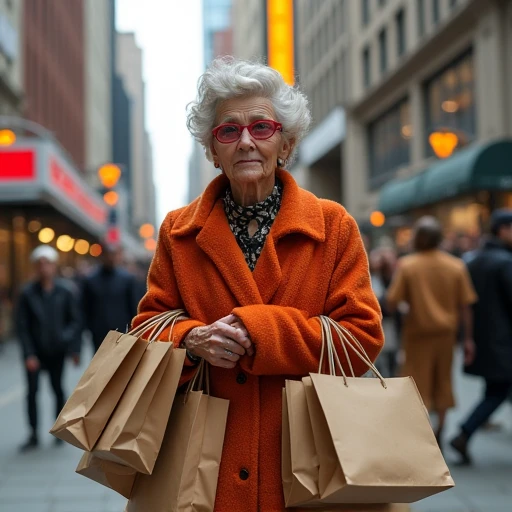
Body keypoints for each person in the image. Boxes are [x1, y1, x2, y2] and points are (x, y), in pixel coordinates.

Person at [132, 57, 384, 512]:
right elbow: (147, 327)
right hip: (205, 475)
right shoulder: (177, 231)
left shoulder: (333, 226)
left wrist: (260, 329)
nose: (246, 141)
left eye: (261, 128)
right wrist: (193, 339)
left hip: (309, 470)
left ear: (285, 143)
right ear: (212, 151)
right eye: (228, 131)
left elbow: (361, 341)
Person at [386, 216, 477, 446]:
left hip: (417, 334)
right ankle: (440, 430)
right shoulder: (456, 266)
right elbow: (466, 305)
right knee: (443, 382)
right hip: (447, 334)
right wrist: (468, 339)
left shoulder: (408, 265)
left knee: (418, 383)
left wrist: (408, 307)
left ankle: (422, 436)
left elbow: (392, 301)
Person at [450, 209, 512, 464]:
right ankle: (464, 432)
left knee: (495, 390)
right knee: (497, 392)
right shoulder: (504, 262)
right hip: (505, 342)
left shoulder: (473, 260)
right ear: (502, 229)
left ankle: (464, 433)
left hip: (484, 339)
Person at [16, 245, 81, 451]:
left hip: (57, 350)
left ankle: (58, 430)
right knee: (32, 392)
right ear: (35, 267)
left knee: (58, 389)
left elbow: (75, 321)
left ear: (54, 266)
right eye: (40, 264)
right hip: (35, 352)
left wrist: (72, 347)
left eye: (47, 263)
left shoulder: (65, 291)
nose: (44, 268)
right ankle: (33, 433)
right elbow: (22, 327)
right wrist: (28, 354)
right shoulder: (27, 293)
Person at [82, 245, 141, 351]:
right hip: (98, 332)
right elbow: (85, 307)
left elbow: (133, 306)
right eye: (108, 254)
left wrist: (134, 329)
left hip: (121, 332)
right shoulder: (91, 280)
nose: (111, 258)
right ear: (102, 256)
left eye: (114, 254)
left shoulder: (127, 279)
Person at [370, 247, 401, 378]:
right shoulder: (372, 280)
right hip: (380, 327)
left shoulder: (395, 279)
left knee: (391, 363)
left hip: (391, 328)